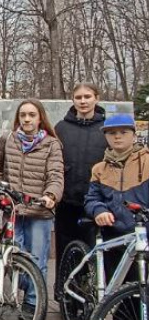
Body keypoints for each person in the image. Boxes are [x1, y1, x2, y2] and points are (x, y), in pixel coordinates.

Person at [84, 113, 148, 320]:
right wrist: (99, 210)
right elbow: (92, 198)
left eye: (123, 132)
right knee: (124, 285)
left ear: (133, 134)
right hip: (115, 233)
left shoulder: (147, 162)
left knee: (142, 283)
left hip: (143, 232)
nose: (118, 137)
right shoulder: (100, 168)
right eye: (112, 133)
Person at [0, 99, 64, 313]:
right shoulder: (8, 139)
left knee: (37, 261)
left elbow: (56, 174)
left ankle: (32, 304)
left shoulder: (51, 144)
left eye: (31, 115)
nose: (26, 119)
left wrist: (51, 195)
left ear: (40, 118)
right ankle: (24, 286)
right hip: (14, 209)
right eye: (23, 114)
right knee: (13, 259)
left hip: (39, 211)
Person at [54, 82, 107, 300]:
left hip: (95, 201)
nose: (83, 101)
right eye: (78, 97)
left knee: (91, 250)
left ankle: (87, 293)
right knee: (64, 248)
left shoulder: (105, 128)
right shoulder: (61, 128)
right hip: (66, 200)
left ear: (96, 98)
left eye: (87, 96)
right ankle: (63, 291)